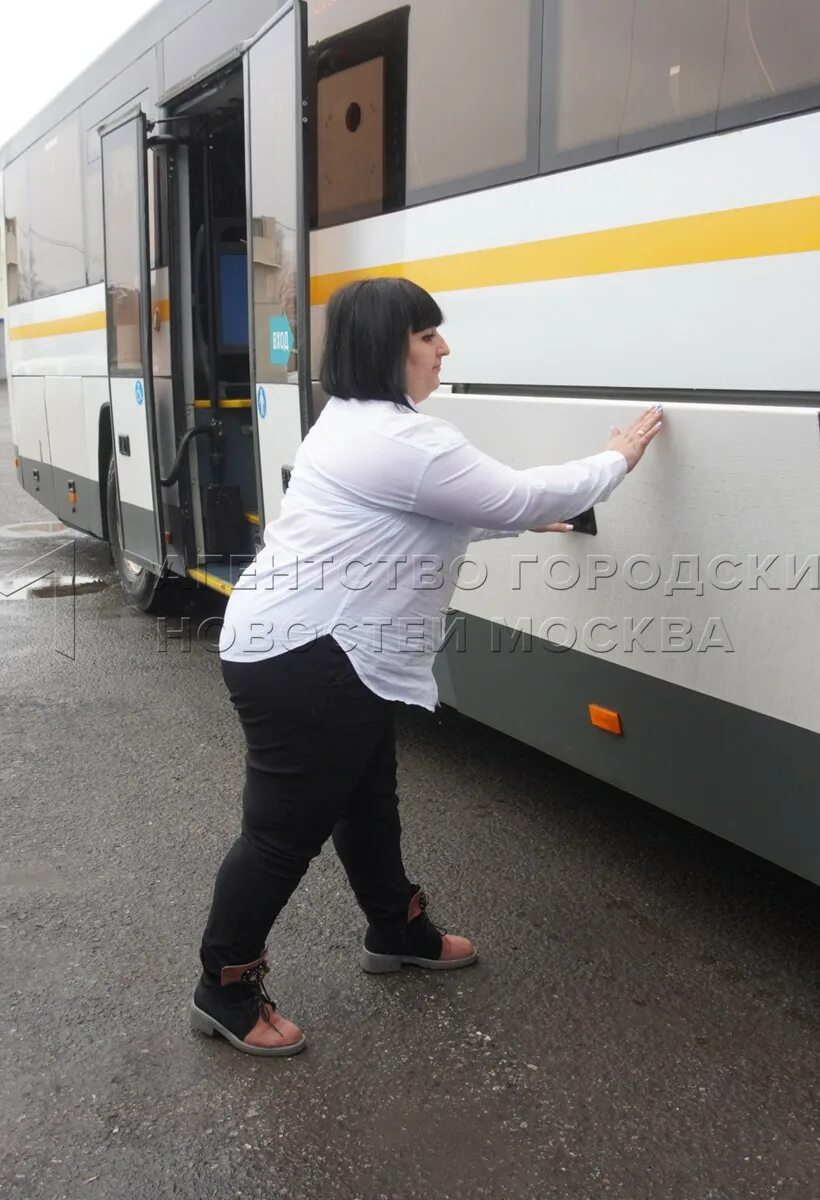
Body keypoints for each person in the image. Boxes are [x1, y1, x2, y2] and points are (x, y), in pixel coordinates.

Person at [190, 277, 665, 1055]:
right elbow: (507, 496)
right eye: (427, 336)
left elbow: (423, 521)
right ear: (388, 348)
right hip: (310, 658)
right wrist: (616, 458)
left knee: (367, 802)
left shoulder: (353, 425)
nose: (443, 348)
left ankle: (396, 931)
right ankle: (226, 987)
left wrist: (522, 521)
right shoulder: (406, 442)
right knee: (282, 835)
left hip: (316, 651)